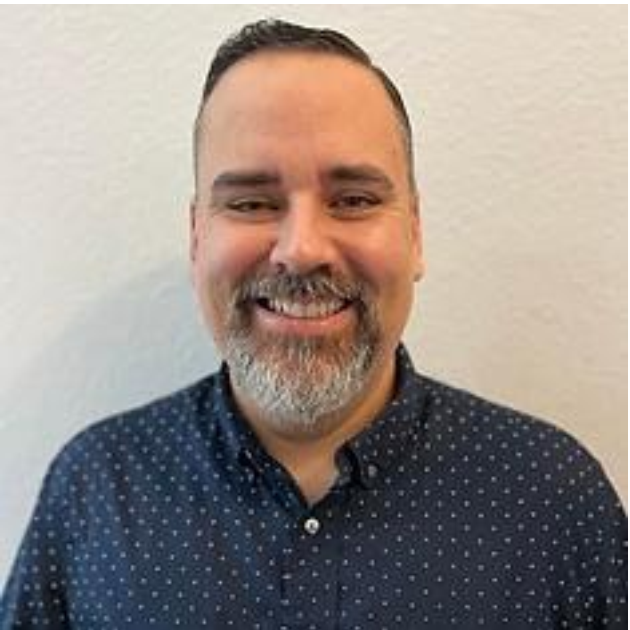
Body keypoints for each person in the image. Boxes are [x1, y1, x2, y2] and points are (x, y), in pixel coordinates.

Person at [0, 18, 626, 630]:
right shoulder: (96, 491)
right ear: (196, 238)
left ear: (414, 234)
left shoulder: (551, 501)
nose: (301, 250)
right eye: (251, 202)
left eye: (353, 200)